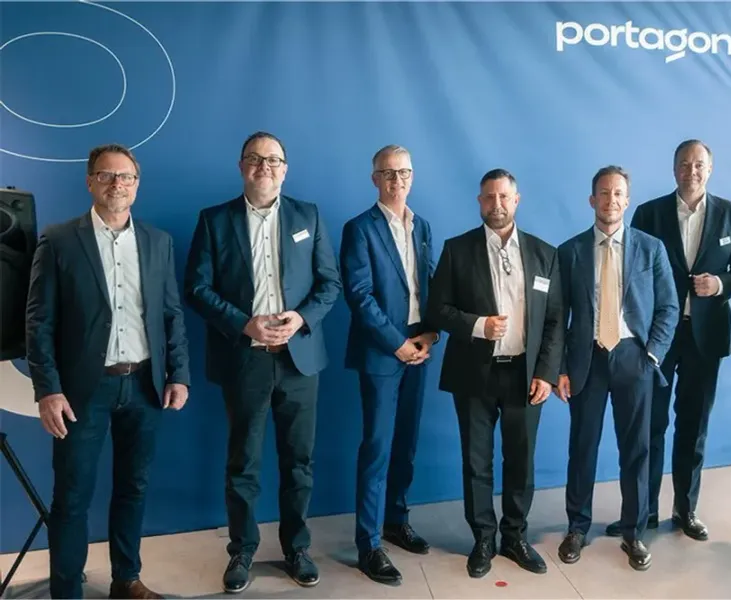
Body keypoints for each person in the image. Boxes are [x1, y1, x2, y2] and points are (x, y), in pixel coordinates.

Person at [26, 144, 190, 599]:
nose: (118, 184)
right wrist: (48, 389)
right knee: (72, 497)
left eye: (126, 177)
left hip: (144, 385)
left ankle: (126, 579)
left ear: (137, 185)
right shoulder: (59, 240)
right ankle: (66, 592)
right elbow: (39, 322)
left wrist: (178, 373)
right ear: (90, 181)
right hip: (83, 391)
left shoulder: (158, 242)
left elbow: (171, 314)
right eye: (107, 175)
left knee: (134, 488)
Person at [183, 131, 341, 593]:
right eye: (255, 159)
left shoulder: (308, 216)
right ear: (241, 167)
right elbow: (197, 288)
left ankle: (297, 549)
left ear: (285, 169)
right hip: (245, 360)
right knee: (243, 464)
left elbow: (329, 284)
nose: (264, 166)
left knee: (299, 463)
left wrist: (302, 317)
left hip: (299, 361)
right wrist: (244, 324)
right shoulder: (215, 220)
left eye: (273, 160)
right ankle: (242, 551)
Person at [607, 140, 731, 540]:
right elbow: (631, 271)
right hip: (658, 336)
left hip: (705, 337)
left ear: (710, 169)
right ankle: (644, 511)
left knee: (694, 425)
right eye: (685, 164)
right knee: (650, 425)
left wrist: (719, 284)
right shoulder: (649, 213)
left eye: (699, 165)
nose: (692, 171)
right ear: (674, 169)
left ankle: (686, 510)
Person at [426, 168, 564, 578]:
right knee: (477, 461)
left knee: (521, 460)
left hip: (526, 375)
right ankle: (483, 538)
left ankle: (515, 536)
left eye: (504, 197)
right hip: (474, 373)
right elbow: (437, 310)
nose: (497, 204)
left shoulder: (544, 254)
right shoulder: (457, 250)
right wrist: (477, 325)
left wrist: (546, 373)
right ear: (479, 202)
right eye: (489, 197)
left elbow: (555, 320)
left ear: (516, 200)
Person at [555, 166, 679, 571]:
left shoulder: (651, 248)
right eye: (604, 193)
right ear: (592, 200)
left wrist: (652, 354)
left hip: (633, 357)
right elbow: (557, 315)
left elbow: (668, 307)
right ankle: (577, 527)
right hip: (586, 359)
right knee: (582, 447)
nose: (611, 200)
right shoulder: (570, 251)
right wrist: (560, 367)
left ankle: (634, 532)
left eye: (618, 193)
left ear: (628, 200)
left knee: (637, 450)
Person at [340, 145, 439, 585]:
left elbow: (431, 285)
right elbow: (359, 296)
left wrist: (431, 334)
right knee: (377, 447)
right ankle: (369, 544)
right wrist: (397, 344)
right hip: (383, 349)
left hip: (419, 344)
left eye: (404, 172)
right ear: (375, 179)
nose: (397, 180)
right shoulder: (359, 229)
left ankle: (396, 520)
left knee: (407, 443)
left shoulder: (423, 226)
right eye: (388, 173)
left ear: (412, 177)